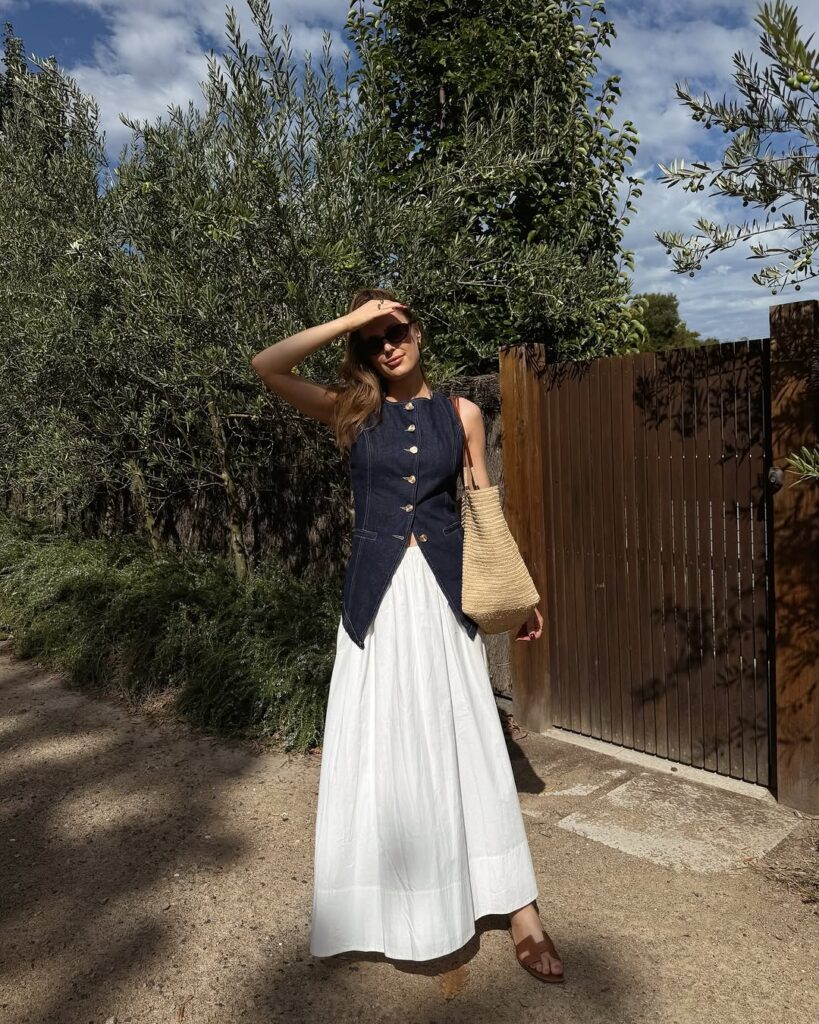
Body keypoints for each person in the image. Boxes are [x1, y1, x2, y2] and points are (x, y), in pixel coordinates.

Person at [250, 287, 564, 982]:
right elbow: (267, 366)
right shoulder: (352, 411)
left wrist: (521, 595)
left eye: (395, 330)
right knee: (381, 748)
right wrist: (349, 320)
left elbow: (484, 506)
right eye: (373, 340)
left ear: (417, 332)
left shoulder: (462, 413)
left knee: (472, 743)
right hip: (378, 602)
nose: (387, 345)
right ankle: (385, 906)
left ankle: (521, 910)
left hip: (445, 598)